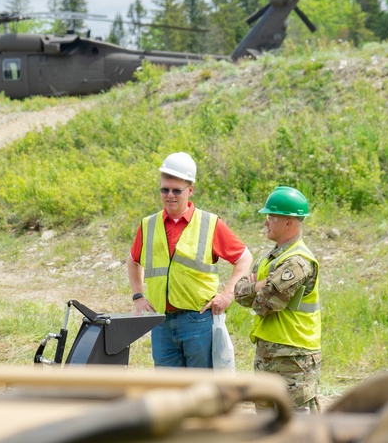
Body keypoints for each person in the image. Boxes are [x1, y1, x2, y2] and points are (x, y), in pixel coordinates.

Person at [127, 152, 252, 368]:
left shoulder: (209, 223)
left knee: (201, 391)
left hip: (198, 321)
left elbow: (244, 257)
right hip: (161, 323)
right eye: (164, 189)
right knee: (171, 393)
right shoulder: (149, 225)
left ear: (190, 190)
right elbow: (132, 261)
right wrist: (138, 296)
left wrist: (228, 294)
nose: (170, 195)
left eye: (177, 190)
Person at [234, 186, 322, 412]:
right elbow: (239, 293)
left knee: (298, 428)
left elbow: (264, 304)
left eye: (271, 217)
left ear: (289, 223)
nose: (265, 222)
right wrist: (258, 285)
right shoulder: (270, 258)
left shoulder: (298, 261)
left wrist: (255, 288)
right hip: (268, 354)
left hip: (294, 359)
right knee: (267, 425)